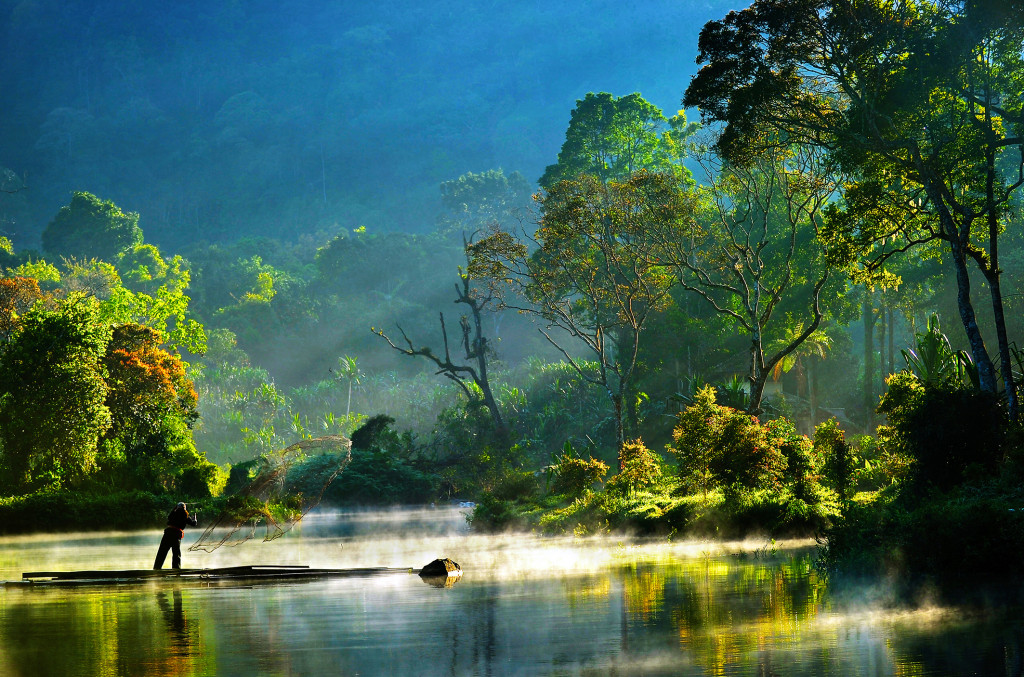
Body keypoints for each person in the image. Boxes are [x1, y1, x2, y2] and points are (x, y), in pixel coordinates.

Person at [153, 502, 199, 570]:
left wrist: (175, 507)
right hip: (176, 535)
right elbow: (193, 524)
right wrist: (195, 519)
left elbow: (169, 517)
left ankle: (156, 568)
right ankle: (176, 569)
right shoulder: (185, 514)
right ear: (184, 508)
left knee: (162, 552)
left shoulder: (173, 513)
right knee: (176, 553)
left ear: (177, 507)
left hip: (168, 534)